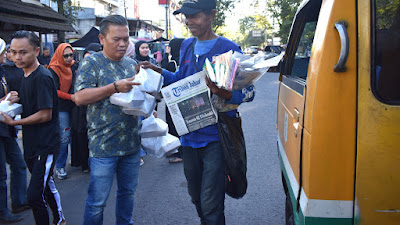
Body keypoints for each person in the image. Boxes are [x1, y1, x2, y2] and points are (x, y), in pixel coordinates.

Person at [138, 1, 255, 224]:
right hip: (189, 136)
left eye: (195, 16)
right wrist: (159, 71)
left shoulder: (230, 49)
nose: (189, 22)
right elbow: (182, 80)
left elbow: (248, 92)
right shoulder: (187, 46)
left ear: (212, 15)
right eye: (185, 17)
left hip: (216, 138)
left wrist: (221, 91)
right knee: (197, 198)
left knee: (211, 204)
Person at [74, 15, 142, 225]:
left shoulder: (132, 64)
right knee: (97, 203)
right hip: (103, 147)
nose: (122, 44)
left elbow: (138, 97)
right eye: (116, 39)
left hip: (131, 145)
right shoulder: (91, 63)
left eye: (126, 39)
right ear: (102, 39)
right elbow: (79, 97)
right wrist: (114, 87)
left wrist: (148, 110)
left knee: (127, 195)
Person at [2, 31, 66, 225]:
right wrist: (12, 98)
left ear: (37, 51)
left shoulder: (43, 77)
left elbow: (45, 114)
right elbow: (30, 102)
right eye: (13, 52)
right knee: (46, 187)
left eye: (23, 52)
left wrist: (15, 123)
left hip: (45, 145)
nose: (17, 57)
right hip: (30, 144)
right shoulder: (23, 75)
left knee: (34, 195)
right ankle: (60, 219)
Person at [0, 38, 29, 224]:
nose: (7, 55)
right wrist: (5, 99)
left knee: (19, 164)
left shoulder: (3, 70)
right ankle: (2, 211)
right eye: (4, 52)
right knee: (1, 174)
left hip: (5, 127)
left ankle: (18, 201)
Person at [70, 43, 102, 173]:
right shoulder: (78, 71)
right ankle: (84, 163)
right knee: (81, 135)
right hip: (80, 109)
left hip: (94, 108)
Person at [48, 43, 78, 180]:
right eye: (65, 55)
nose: (68, 58)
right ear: (59, 55)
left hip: (74, 104)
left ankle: (75, 159)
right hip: (61, 107)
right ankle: (60, 166)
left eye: (71, 55)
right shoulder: (53, 69)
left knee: (75, 133)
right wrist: (71, 97)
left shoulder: (73, 66)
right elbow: (55, 91)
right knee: (64, 137)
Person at [161, 38, 185, 163]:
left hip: (173, 97)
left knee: (174, 124)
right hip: (179, 96)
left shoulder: (174, 61)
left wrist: (165, 54)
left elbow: (163, 68)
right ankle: (176, 149)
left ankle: (180, 153)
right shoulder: (185, 59)